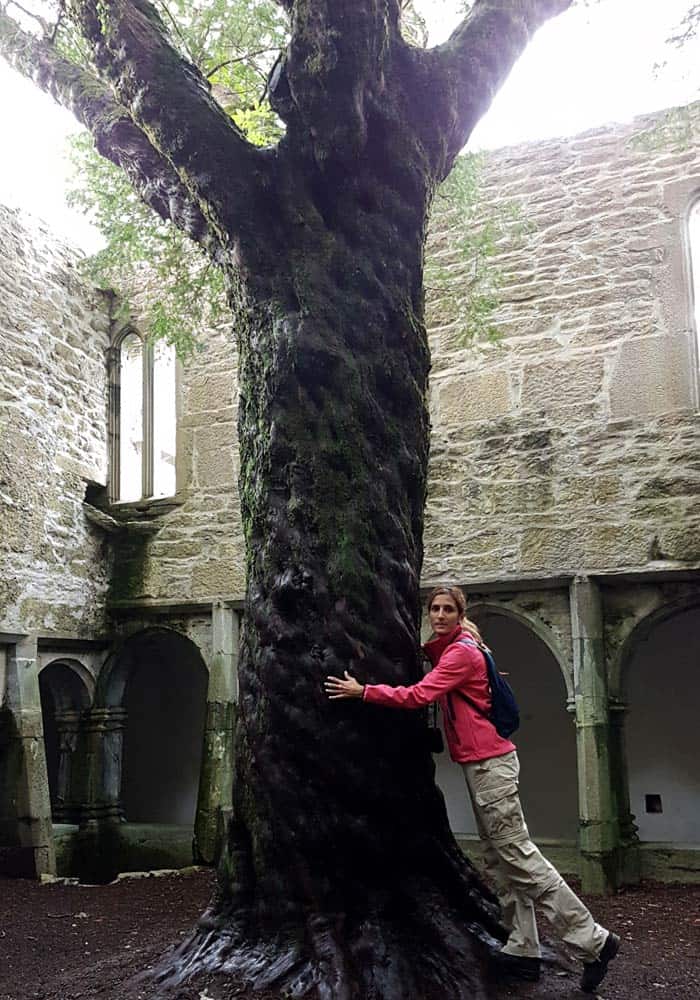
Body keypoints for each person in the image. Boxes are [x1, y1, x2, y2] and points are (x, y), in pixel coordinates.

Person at [324, 585, 620, 993]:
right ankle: (523, 949)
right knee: (501, 859)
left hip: (490, 767)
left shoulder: (462, 652)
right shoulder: (460, 647)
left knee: (518, 855)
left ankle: (594, 942)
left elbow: (419, 695)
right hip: (481, 765)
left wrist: (364, 692)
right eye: (435, 608)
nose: (440, 615)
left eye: (448, 609)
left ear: (460, 614)